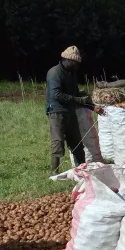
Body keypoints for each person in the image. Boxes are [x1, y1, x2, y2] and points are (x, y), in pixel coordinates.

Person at [46, 46, 92, 175]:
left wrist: (83, 95)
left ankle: (82, 169)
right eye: (75, 63)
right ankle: (54, 172)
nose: (77, 66)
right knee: (58, 141)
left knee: (76, 141)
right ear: (68, 60)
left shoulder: (72, 73)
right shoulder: (54, 73)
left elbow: (74, 92)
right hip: (56, 112)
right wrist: (78, 100)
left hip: (70, 111)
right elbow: (56, 94)